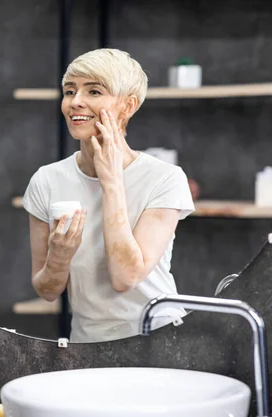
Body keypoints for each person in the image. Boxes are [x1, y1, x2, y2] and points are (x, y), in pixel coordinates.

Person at [23, 48, 195, 343]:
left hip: (160, 338)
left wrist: (112, 180)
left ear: (127, 106)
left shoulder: (165, 179)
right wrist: (59, 258)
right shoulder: (46, 181)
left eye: (94, 91)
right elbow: (47, 290)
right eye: (69, 91)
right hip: (87, 342)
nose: (75, 102)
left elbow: (125, 277)